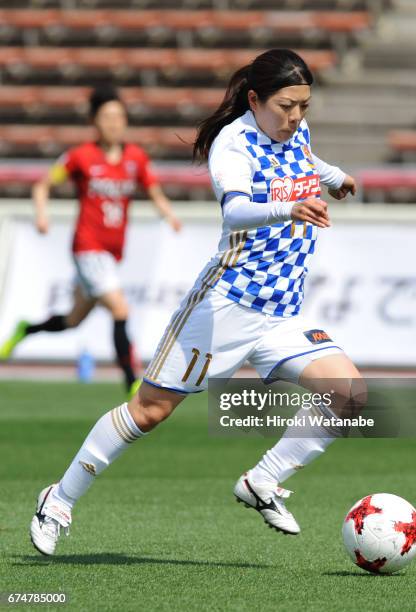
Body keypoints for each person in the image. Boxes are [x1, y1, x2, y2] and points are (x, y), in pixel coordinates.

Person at [29, 49, 365, 556]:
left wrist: (333, 176)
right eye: (285, 105)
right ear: (254, 100)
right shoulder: (233, 144)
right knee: (148, 412)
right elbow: (237, 212)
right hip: (224, 307)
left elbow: (306, 162)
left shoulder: (296, 132)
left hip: (280, 314)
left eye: (304, 106)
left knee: (350, 397)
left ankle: (262, 481)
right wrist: (290, 206)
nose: (296, 117)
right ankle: (58, 499)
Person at [0, 85, 181, 397]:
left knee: (73, 321)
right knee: (120, 308)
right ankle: (131, 382)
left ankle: (25, 329)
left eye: (119, 117)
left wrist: (169, 215)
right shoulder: (80, 157)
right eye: (107, 117)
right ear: (94, 121)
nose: (114, 123)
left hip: (111, 253)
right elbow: (43, 186)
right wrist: (42, 215)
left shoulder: (135, 158)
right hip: (87, 248)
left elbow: (153, 191)